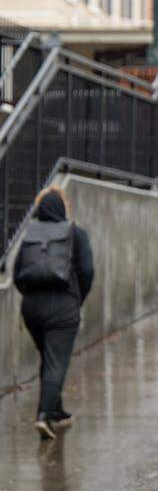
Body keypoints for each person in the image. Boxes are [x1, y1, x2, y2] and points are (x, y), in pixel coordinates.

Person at [13, 187, 95, 440]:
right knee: (56, 363)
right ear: (62, 208)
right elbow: (87, 271)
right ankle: (44, 415)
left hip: (31, 308)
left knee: (49, 359)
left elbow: (17, 274)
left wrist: (30, 295)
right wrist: (77, 299)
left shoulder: (30, 235)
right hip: (63, 308)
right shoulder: (75, 234)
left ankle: (55, 411)